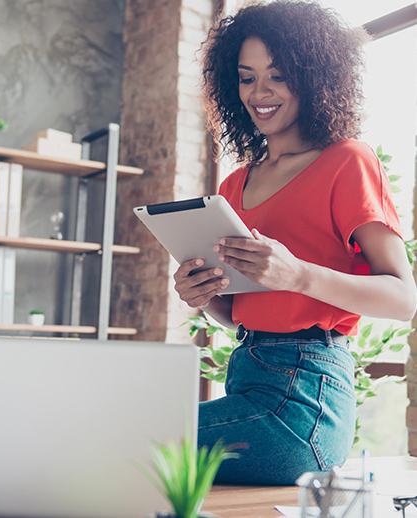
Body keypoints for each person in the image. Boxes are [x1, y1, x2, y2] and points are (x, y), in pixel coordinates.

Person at [174, 0, 417, 485]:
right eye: (246, 77)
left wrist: (298, 273)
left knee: (130, 437)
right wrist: (205, 297)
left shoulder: (347, 161)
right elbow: (244, 311)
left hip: (305, 401)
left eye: (278, 75)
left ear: (313, 77)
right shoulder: (232, 188)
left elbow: (403, 300)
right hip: (247, 378)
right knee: (128, 444)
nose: (259, 92)